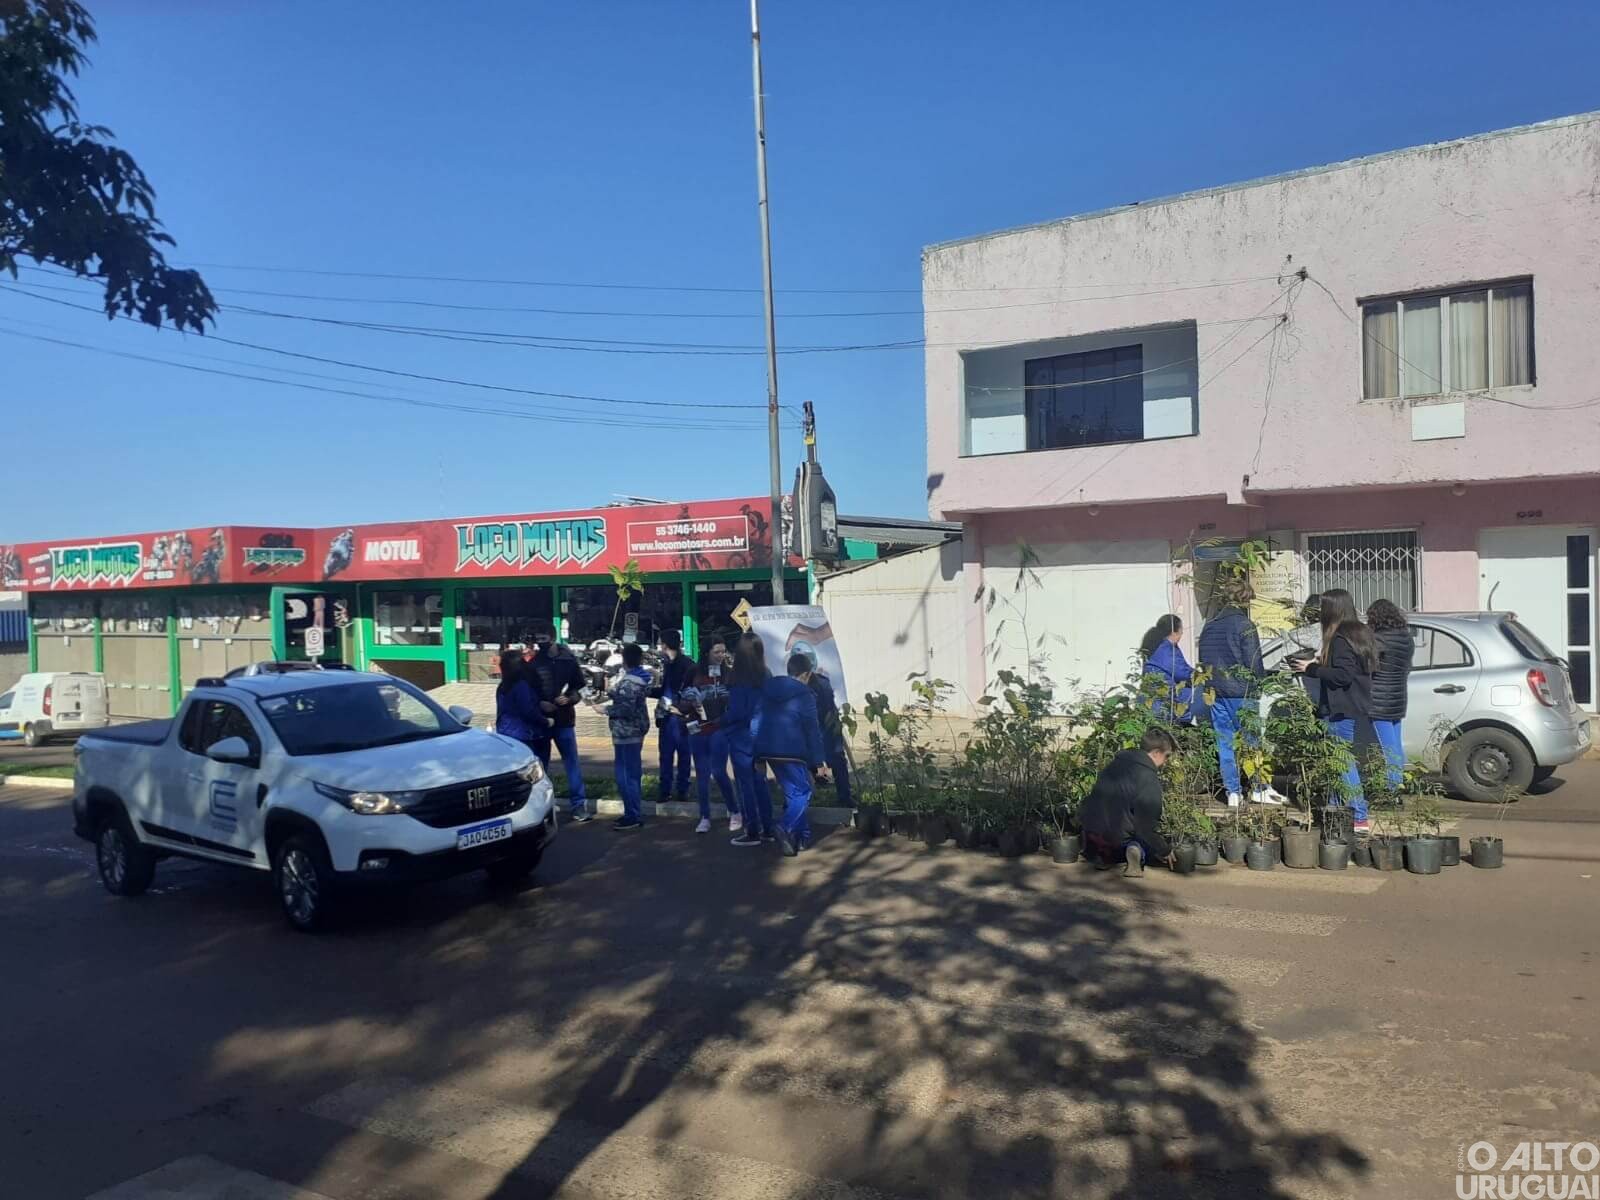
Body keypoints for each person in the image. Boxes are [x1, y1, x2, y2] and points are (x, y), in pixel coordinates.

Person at [1290, 590, 1379, 833]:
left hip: (1339, 709)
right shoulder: (1360, 633)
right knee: (1337, 761)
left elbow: (1342, 675)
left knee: (1342, 762)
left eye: (1323, 609)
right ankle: (1334, 810)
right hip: (1354, 705)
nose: (1320, 614)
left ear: (1332, 610)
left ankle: (1359, 816)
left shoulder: (1339, 638)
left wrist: (1313, 668)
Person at [1196, 579, 1281, 807]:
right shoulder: (1244, 625)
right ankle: (1258, 787)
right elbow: (1254, 662)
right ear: (1244, 600)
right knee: (1251, 742)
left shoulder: (1209, 626)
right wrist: (1259, 685)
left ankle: (1233, 792)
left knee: (1225, 743)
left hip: (1216, 692)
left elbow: (1203, 660)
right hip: (1242, 692)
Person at [754, 652, 828, 857]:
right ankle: (784, 826)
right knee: (804, 792)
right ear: (806, 674)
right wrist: (819, 761)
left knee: (793, 793)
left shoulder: (767, 689)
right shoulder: (805, 695)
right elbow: (813, 730)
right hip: (793, 750)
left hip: (767, 748)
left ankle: (801, 838)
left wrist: (756, 753)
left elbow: (756, 720)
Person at [1079, 728, 1178, 877]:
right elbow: (1145, 827)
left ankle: (1104, 856)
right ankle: (1135, 850)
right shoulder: (1148, 778)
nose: (1166, 762)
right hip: (1118, 837)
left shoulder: (1115, 764)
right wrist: (1165, 850)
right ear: (1156, 753)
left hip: (1091, 831)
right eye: (1167, 756)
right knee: (1149, 844)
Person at [526, 624, 590, 824]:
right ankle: (543, 807)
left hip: (564, 719)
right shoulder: (534, 663)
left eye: (544, 638)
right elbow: (528, 691)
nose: (540, 642)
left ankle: (578, 805)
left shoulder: (568, 661)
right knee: (541, 766)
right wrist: (539, 703)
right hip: (543, 721)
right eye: (538, 639)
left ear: (553, 638)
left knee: (571, 763)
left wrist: (570, 698)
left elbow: (579, 686)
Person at [680, 641, 738, 834]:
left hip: (719, 727)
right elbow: (682, 699)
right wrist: (690, 702)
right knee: (702, 774)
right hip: (697, 728)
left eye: (723, 651)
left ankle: (734, 810)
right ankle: (704, 816)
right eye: (717, 651)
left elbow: (735, 700)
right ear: (707, 653)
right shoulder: (694, 672)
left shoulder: (728, 674)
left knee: (719, 771)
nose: (721, 655)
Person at [595, 641, 652, 830]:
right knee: (631, 773)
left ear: (624, 660)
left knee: (626, 775)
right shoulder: (640, 677)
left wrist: (605, 709)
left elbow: (626, 708)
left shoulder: (628, 682)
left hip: (626, 732)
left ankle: (632, 815)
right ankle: (632, 812)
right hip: (635, 731)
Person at [725, 633, 773, 848]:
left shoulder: (737, 678)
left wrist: (719, 718)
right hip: (762, 737)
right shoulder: (766, 674)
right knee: (761, 783)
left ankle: (751, 829)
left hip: (741, 738)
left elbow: (737, 712)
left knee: (746, 786)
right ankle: (768, 828)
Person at [1366, 598, 1414, 790]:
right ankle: (1399, 782)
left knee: (1388, 748)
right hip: (1398, 696)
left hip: (1379, 699)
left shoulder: (1379, 639)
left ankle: (1393, 789)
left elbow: (1368, 665)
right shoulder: (1406, 637)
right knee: (1395, 744)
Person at [654, 629, 695, 804]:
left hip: (679, 715)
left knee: (680, 754)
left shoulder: (684, 665)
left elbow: (691, 691)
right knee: (669, 754)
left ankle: (677, 789)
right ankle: (672, 789)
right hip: (668, 715)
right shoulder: (669, 663)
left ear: (664, 644)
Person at [1139, 614, 1200, 724]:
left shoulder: (1155, 645)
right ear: (1174, 632)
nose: (1181, 635)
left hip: (1154, 700)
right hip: (1164, 704)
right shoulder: (1165, 649)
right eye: (1181, 631)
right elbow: (1182, 672)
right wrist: (1203, 676)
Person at [493, 650, 549, 757]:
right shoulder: (521, 685)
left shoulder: (502, 686)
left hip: (505, 732)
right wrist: (545, 721)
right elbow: (528, 711)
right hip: (523, 735)